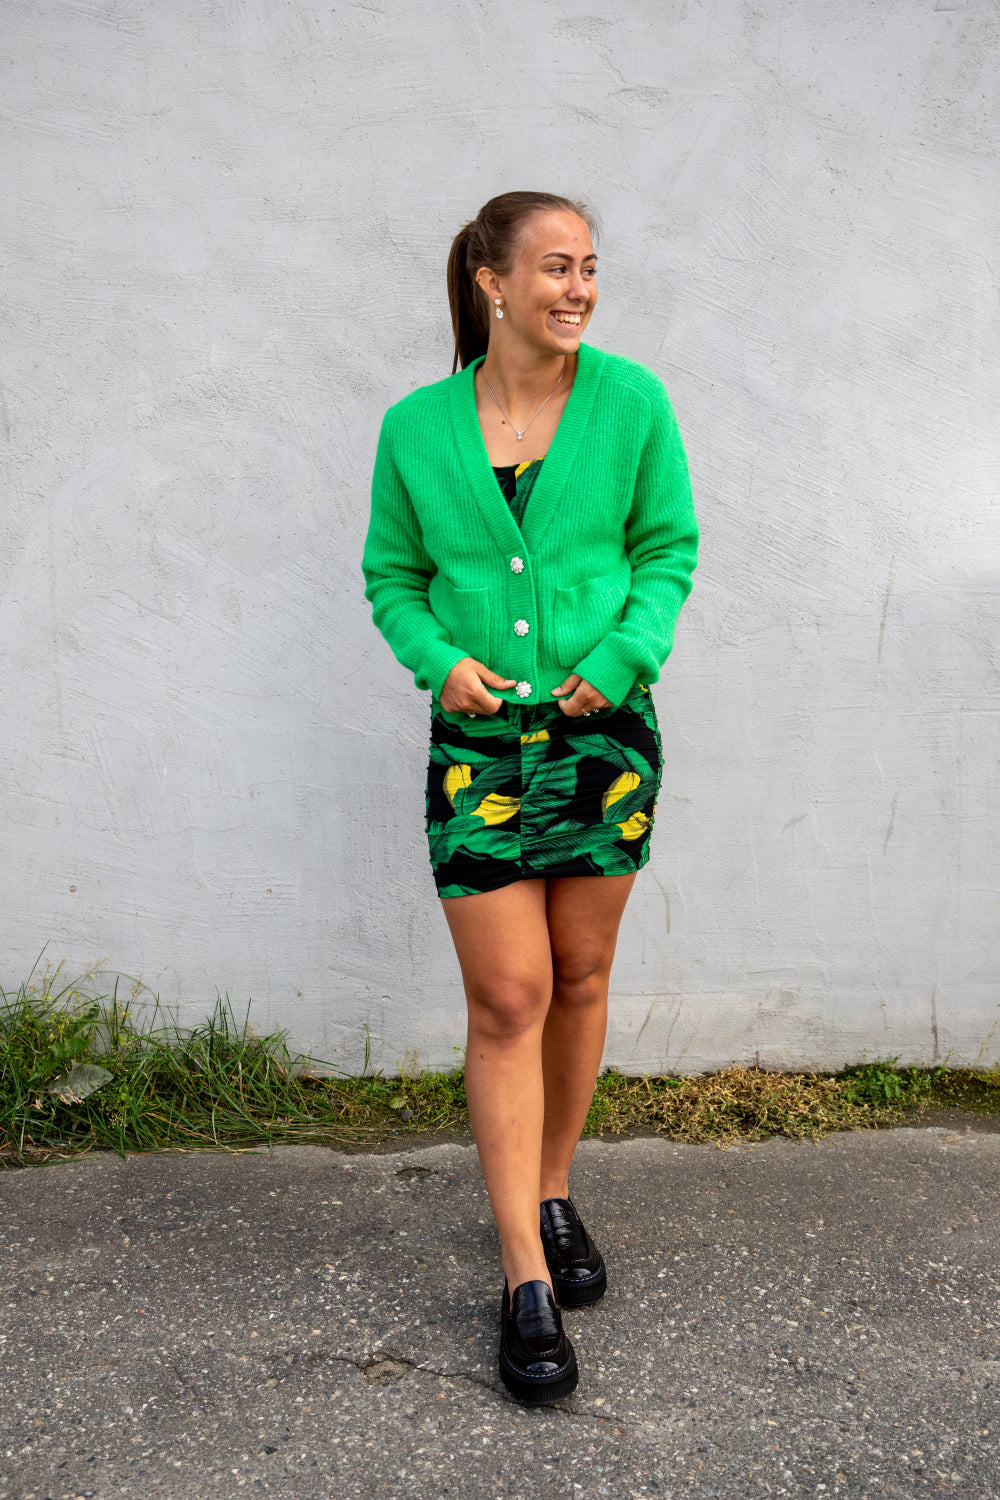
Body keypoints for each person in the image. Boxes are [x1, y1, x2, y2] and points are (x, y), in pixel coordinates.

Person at [362, 190, 698, 1404]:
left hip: (604, 737)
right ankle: (524, 1279)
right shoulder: (415, 427)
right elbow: (392, 573)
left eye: (589, 267)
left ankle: (554, 1187)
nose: (579, 288)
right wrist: (434, 658)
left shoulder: (631, 403)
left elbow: (666, 550)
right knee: (510, 995)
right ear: (491, 283)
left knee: (582, 974)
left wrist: (621, 657)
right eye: (555, 267)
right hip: (479, 748)